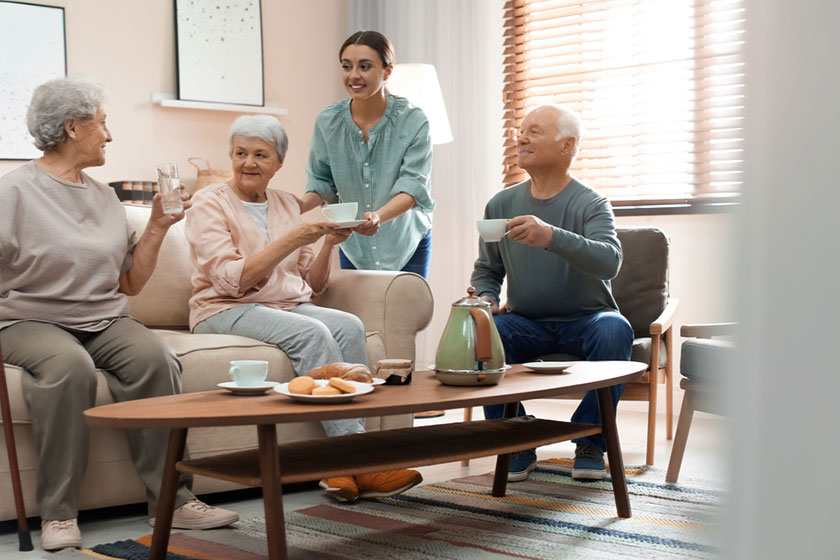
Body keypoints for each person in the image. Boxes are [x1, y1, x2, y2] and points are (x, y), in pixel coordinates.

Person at [0, 77, 238, 552]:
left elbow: (130, 283)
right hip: (28, 320)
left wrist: (157, 226)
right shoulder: (14, 192)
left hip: (103, 318)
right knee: (69, 367)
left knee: (156, 359)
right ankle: (59, 513)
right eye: (102, 124)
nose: (109, 135)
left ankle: (172, 501)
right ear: (72, 127)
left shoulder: (104, 196)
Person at [185, 114, 423, 502]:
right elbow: (231, 281)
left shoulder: (284, 203)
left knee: (348, 325)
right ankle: (358, 460)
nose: (248, 163)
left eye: (260, 155)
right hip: (223, 307)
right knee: (311, 332)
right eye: (241, 153)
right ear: (230, 156)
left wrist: (328, 243)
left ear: (279, 162)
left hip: (285, 304)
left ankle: (347, 466)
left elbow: (310, 285)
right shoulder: (208, 202)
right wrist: (293, 238)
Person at [471, 104, 634, 482]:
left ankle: (591, 440)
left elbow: (609, 261)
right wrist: (487, 297)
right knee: (483, 332)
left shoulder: (591, 203)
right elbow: (487, 270)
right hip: (526, 323)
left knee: (616, 328)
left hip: (587, 320)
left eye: (535, 131)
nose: (521, 138)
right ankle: (516, 441)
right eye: (521, 131)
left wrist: (551, 237)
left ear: (567, 145)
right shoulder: (501, 204)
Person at [299, 30, 435, 278]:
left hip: (406, 242)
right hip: (355, 246)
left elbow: (412, 188)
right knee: (358, 305)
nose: (353, 75)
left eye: (364, 66)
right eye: (346, 66)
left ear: (387, 71)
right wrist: (293, 207)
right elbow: (322, 183)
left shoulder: (414, 121)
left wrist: (378, 217)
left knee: (406, 305)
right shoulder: (328, 122)